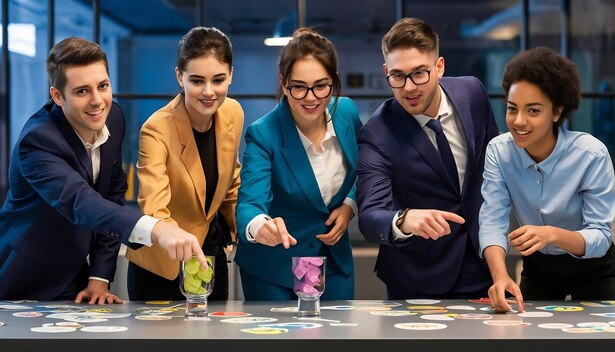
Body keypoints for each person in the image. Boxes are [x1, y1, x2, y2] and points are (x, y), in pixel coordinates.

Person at [0, 37, 207, 303]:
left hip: (74, 280)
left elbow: (112, 195)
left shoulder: (113, 119)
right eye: (82, 91)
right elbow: (82, 203)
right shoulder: (38, 142)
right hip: (21, 280)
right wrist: (157, 229)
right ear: (57, 96)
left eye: (103, 86)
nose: (98, 101)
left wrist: (99, 277)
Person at [356, 18, 499, 299]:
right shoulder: (376, 133)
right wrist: (404, 220)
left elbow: (497, 166)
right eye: (397, 76)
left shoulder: (473, 93)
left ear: (440, 67)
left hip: (481, 265)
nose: (409, 87)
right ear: (386, 71)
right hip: (416, 277)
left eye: (419, 73)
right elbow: (370, 216)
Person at [479, 47, 615, 312]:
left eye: (533, 111)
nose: (519, 121)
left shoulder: (590, 154)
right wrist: (500, 276)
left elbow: (600, 236)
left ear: (556, 112)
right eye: (512, 109)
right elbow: (491, 219)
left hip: (597, 270)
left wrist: (549, 234)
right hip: (540, 271)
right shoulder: (499, 152)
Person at [235, 28, 362, 300]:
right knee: (280, 344)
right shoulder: (263, 133)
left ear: (334, 81)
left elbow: (367, 168)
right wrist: (260, 226)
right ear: (283, 83)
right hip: (274, 265)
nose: (310, 97)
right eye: (299, 87)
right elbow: (249, 203)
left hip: (333, 259)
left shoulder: (347, 113)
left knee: (337, 340)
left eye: (320, 85)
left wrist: (349, 205)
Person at [125, 27, 243, 301]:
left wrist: (251, 226)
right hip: (163, 265)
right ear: (180, 76)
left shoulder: (233, 113)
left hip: (209, 259)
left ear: (231, 75)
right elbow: (154, 206)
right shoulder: (156, 129)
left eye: (218, 80)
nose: (209, 92)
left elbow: (230, 187)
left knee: (214, 342)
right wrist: (173, 236)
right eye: (197, 81)